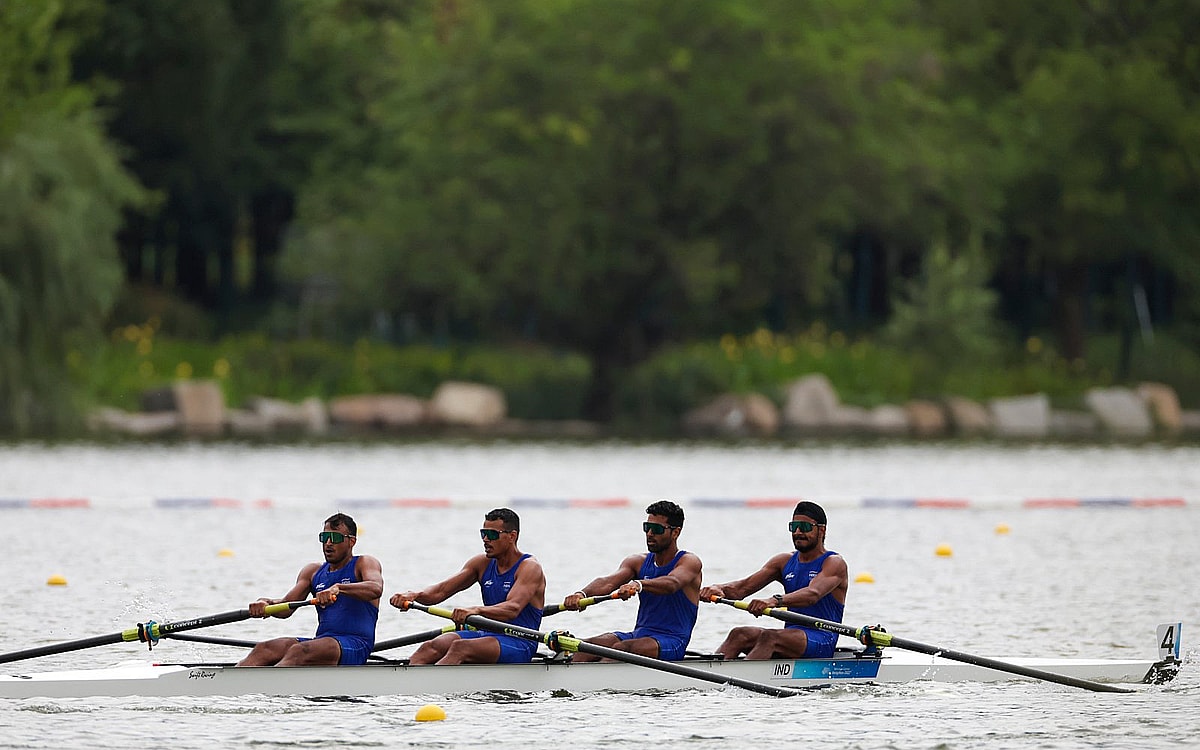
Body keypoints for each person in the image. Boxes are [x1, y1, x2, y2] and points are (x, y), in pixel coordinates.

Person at [390, 507, 545, 665]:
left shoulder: (529, 567)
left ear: (512, 536)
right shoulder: (481, 563)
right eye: (483, 534)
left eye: (491, 534)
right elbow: (440, 591)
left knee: (460, 648)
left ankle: (431, 686)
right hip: (487, 635)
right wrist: (415, 595)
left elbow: (512, 608)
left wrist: (476, 610)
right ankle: (407, 686)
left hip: (520, 641)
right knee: (431, 646)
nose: (485, 539)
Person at [699, 500, 847, 660]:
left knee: (770, 637)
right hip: (792, 636)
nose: (798, 532)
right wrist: (718, 588)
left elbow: (813, 594)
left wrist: (774, 601)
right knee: (739, 634)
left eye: (805, 527)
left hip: (822, 639)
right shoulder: (783, 561)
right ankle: (711, 677)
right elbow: (742, 588)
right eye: (793, 527)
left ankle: (738, 682)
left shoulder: (834, 563)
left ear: (822, 530)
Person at [561, 500, 702, 661]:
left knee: (621, 649)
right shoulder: (637, 561)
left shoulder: (689, 562)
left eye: (656, 529)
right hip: (640, 635)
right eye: (646, 527)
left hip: (672, 640)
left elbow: (672, 583)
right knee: (587, 646)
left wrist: (639, 584)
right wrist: (581, 594)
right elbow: (608, 582)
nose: (649, 533)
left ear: (675, 532)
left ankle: (599, 683)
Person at [238, 513, 384, 666]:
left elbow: (375, 588)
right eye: (324, 537)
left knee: (299, 651)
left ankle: (268, 685)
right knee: (264, 649)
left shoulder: (364, 563)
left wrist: (338, 589)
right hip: (323, 643)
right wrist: (265, 603)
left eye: (335, 538)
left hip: (355, 644)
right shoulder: (313, 571)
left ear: (351, 541)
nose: (328, 543)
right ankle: (232, 684)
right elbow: (285, 607)